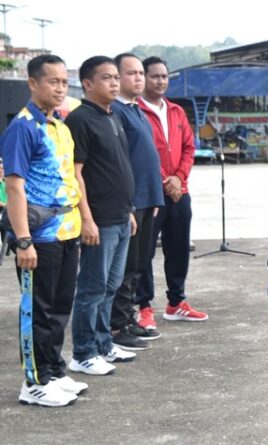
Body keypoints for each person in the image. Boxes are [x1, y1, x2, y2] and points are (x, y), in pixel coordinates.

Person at [0, 54, 87, 407]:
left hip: (68, 231)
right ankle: (34, 382)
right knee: (38, 309)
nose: (60, 88)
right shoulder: (23, 127)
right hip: (40, 236)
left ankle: (54, 371)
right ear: (33, 83)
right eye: (53, 81)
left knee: (60, 306)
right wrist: (23, 241)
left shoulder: (60, 126)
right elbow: (14, 186)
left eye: (64, 82)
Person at [67, 55, 138, 376]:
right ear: (87, 84)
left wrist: (130, 211)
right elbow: (75, 173)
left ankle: (103, 343)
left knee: (110, 286)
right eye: (106, 78)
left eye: (115, 77)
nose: (114, 83)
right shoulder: (80, 120)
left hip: (121, 217)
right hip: (99, 221)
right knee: (92, 289)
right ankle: (83, 352)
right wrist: (87, 219)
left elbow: (119, 167)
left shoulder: (112, 116)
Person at [136, 56, 207, 329]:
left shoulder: (177, 111)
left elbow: (189, 147)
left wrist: (179, 177)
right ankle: (144, 307)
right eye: (155, 76)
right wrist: (165, 180)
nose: (161, 81)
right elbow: (139, 155)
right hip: (151, 195)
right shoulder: (136, 112)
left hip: (180, 191)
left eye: (164, 76)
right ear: (143, 78)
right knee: (144, 253)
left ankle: (176, 303)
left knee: (178, 249)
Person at [109, 53, 165, 351]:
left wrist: (154, 195)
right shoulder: (116, 112)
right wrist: (131, 203)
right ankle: (117, 325)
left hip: (148, 201)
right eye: (131, 73)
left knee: (141, 264)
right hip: (130, 204)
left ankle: (128, 318)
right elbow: (120, 163)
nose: (139, 78)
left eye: (141, 72)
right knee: (126, 266)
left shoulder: (137, 111)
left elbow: (147, 158)